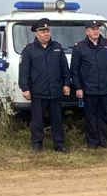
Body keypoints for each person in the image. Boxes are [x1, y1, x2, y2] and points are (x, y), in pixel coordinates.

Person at [18, 18, 71, 152]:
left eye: (47, 31)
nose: (46, 34)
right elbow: (24, 71)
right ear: (36, 33)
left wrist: (66, 84)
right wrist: (25, 88)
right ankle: (37, 144)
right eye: (42, 31)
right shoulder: (29, 50)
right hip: (38, 91)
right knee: (37, 120)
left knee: (57, 120)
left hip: (55, 91)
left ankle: (59, 144)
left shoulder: (57, 47)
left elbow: (64, 67)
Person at [70, 19, 107, 148]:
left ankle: (103, 141)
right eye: (93, 29)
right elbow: (74, 70)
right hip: (88, 89)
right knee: (91, 117)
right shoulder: (80, 47)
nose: (96, 31)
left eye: (97, 29)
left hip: (104, 87)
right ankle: (92, 142)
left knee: (103, 115)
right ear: (87, 31)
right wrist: (78, 87)